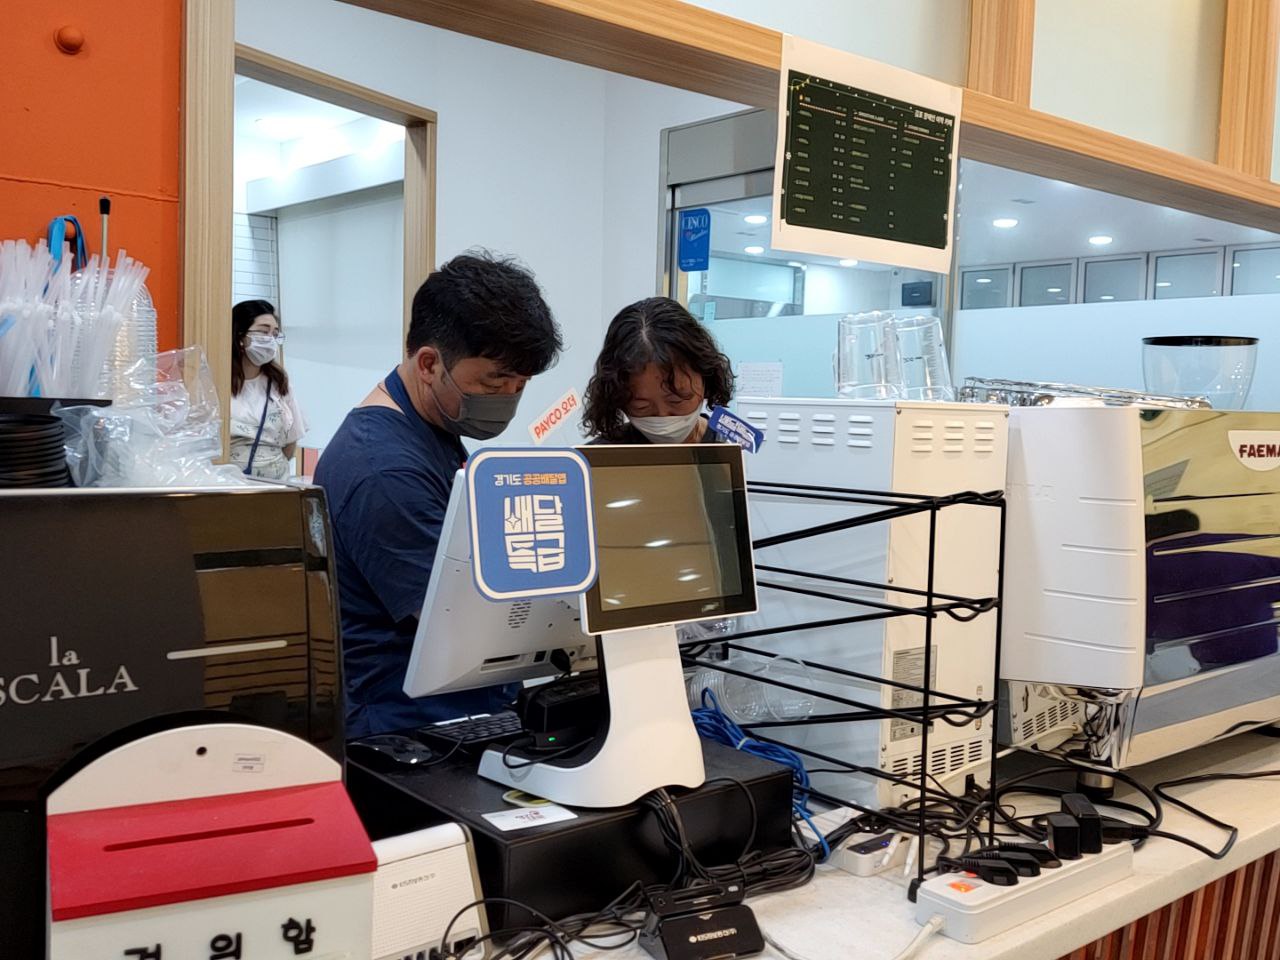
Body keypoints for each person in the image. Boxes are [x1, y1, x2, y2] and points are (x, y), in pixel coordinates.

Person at [315, 252, 562, 739]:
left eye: (521, 385)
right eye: (495, 381)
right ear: (429, 363)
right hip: (409, 727)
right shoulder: (382, 468)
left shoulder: (433, 426)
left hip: (466, 706)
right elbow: (462, 619)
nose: (509, 398)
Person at [582, 296, 734, 444]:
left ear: (706, 378)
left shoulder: (731, 444)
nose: (663, 417)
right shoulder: (599, 460)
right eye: (641, 406)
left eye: (677, 400)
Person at [229, 300, 308, 479]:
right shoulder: (218, 381)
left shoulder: (279, 382)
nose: (270, 340)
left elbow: (291, 440)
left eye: (275, 334)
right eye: (264, 332)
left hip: (275, 483)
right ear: (240, 335)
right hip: (228, 484)